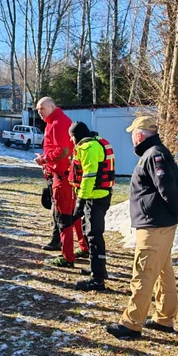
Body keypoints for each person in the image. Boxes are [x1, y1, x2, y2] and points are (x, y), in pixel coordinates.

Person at [106, 115, 178, 341]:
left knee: (143, 273)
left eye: (133, 134)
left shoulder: (153, 155)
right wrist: (177, 210)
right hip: (160, 223)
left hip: (154, 225)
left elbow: (165, 187)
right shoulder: (157, 152)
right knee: (164, 271)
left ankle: (131, 323)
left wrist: (177, 209)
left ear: (139, 135)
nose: (132, 139)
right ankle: (165, 318)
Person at [34, 97, 84, 268]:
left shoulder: (58, 122)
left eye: (42, 108)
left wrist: (44, 159)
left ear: (53, 106)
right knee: (73, 213)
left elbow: (62, 150)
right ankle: (83, 247)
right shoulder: (53, 122)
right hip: (61, 174)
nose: (39, 112)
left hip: (63, 177)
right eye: (37, 109)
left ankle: (67, 256)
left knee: (64, 216)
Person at [69, 121, 114, 291]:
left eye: (71, 137)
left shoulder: (88, 148)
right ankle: (98, 269)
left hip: (94, 197)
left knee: (94, 236)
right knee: (90, 233)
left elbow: (89, 176)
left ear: (76, 136)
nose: (72, 141)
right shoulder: (97, 142)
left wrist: (81, 200)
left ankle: (98, 279)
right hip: (99, 195)